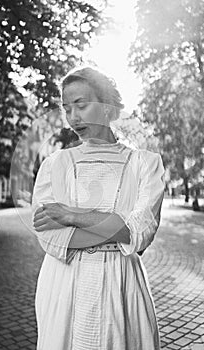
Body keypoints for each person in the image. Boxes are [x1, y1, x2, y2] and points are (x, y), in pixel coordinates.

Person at [32, 67, 165, 350]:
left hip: (122, 287)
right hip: (63, 287)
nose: (73, 117)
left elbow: (139, 234)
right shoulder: (55, 164)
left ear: (106, 107)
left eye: (81, 105)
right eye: (67, 108)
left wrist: (71, 216)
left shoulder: (146, 163)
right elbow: (49, 238)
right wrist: (117, 228)